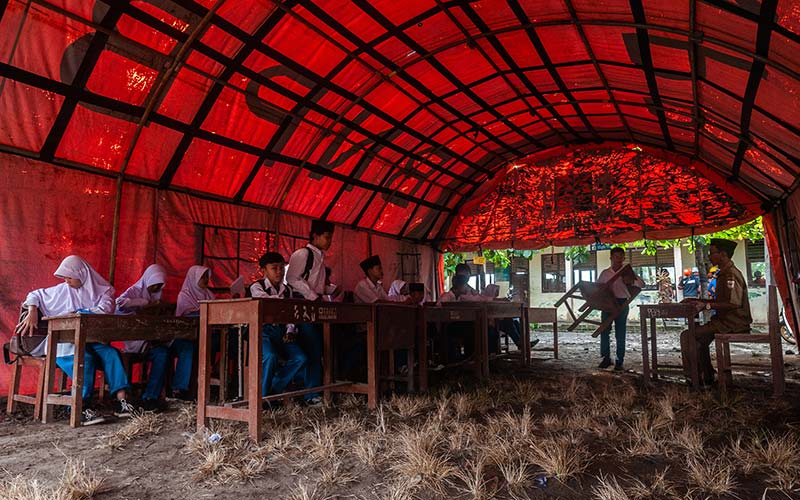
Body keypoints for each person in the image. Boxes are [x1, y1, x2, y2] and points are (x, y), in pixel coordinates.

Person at [16, 255, 133, 425]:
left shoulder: (104, 290)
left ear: (82, 274)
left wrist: (79, 312)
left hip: (93, 339)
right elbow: (34, 295)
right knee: (85, 360)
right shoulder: (62, 290)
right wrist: (32, 308)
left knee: (111, 354)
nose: (66, 281)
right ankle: (79, 408)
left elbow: (105, 309)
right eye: (64, 277)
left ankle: (123, 401)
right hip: (65, 343)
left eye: (69, 277)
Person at [680, 238, 752, 385]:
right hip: (723, 321)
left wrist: (705, 306)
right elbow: (722, 301)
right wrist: (698, 302)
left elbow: (732, 303)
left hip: (733, 323)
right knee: (699, 340)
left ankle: (692, 377)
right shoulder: (723, 273)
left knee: (687, 335)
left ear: (723, 254)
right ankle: (706, 376)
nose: (709, 256)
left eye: (712, 253)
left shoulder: (731, 274)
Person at [116, 264, 181, 411]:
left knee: (163, 353)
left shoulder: (156, 295)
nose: (156, 289)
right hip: (134, 341)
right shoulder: (135, 291)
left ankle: (150, 396)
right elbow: (119, 304)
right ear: (148, 282)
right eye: (154, 285)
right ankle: (127, 399)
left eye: (159, 286)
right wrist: (145, 303)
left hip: (150, 340)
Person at [285, 219, 335, 405]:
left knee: (316, 349)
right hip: (303, 307)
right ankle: (310, 394)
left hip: (313, 305)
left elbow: (317, 284)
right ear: (315, 235)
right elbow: (292, 278)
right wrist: (313, 295)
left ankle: (312, 390)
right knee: (312, 348)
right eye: (327, 237)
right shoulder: (302, 254)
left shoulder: (320, 257)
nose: (329, 241)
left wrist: (330, 290)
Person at [250, 252, 309, 399]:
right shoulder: (257, 286)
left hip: (282, 331)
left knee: (301, 358)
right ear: (263, 270)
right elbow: (265, 301)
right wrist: (284, 301)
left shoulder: (287, 290)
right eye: (274, 268)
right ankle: (262, 398)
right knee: (270, 356)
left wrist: (290, 329)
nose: (279, 272)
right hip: (262, 332)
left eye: (282, 268)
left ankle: (274, 390)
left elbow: (291, 313)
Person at [597, 247, 645, 371]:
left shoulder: (628, 271)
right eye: (616, 257)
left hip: (622, 303)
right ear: (611, 258)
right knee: (604, 331)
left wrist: (631, 279)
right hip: (607, 304)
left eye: (620, 257)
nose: (618, 259)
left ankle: (619, 361)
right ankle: (606, 358)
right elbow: (598, 289)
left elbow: (641, 284)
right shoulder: (605, 273)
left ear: (624, 258)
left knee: (620, 332)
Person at [173, 265, 215, 400]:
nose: (206, 279)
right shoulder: (184, 295)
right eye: (202, 277)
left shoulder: (208, 294)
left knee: (220, 344)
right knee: (188, 349)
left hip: (203, 335)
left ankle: (215, 379)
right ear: (194, 278)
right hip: (184, 337)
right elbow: (187, 315)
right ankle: (180, 389)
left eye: (207, 276)